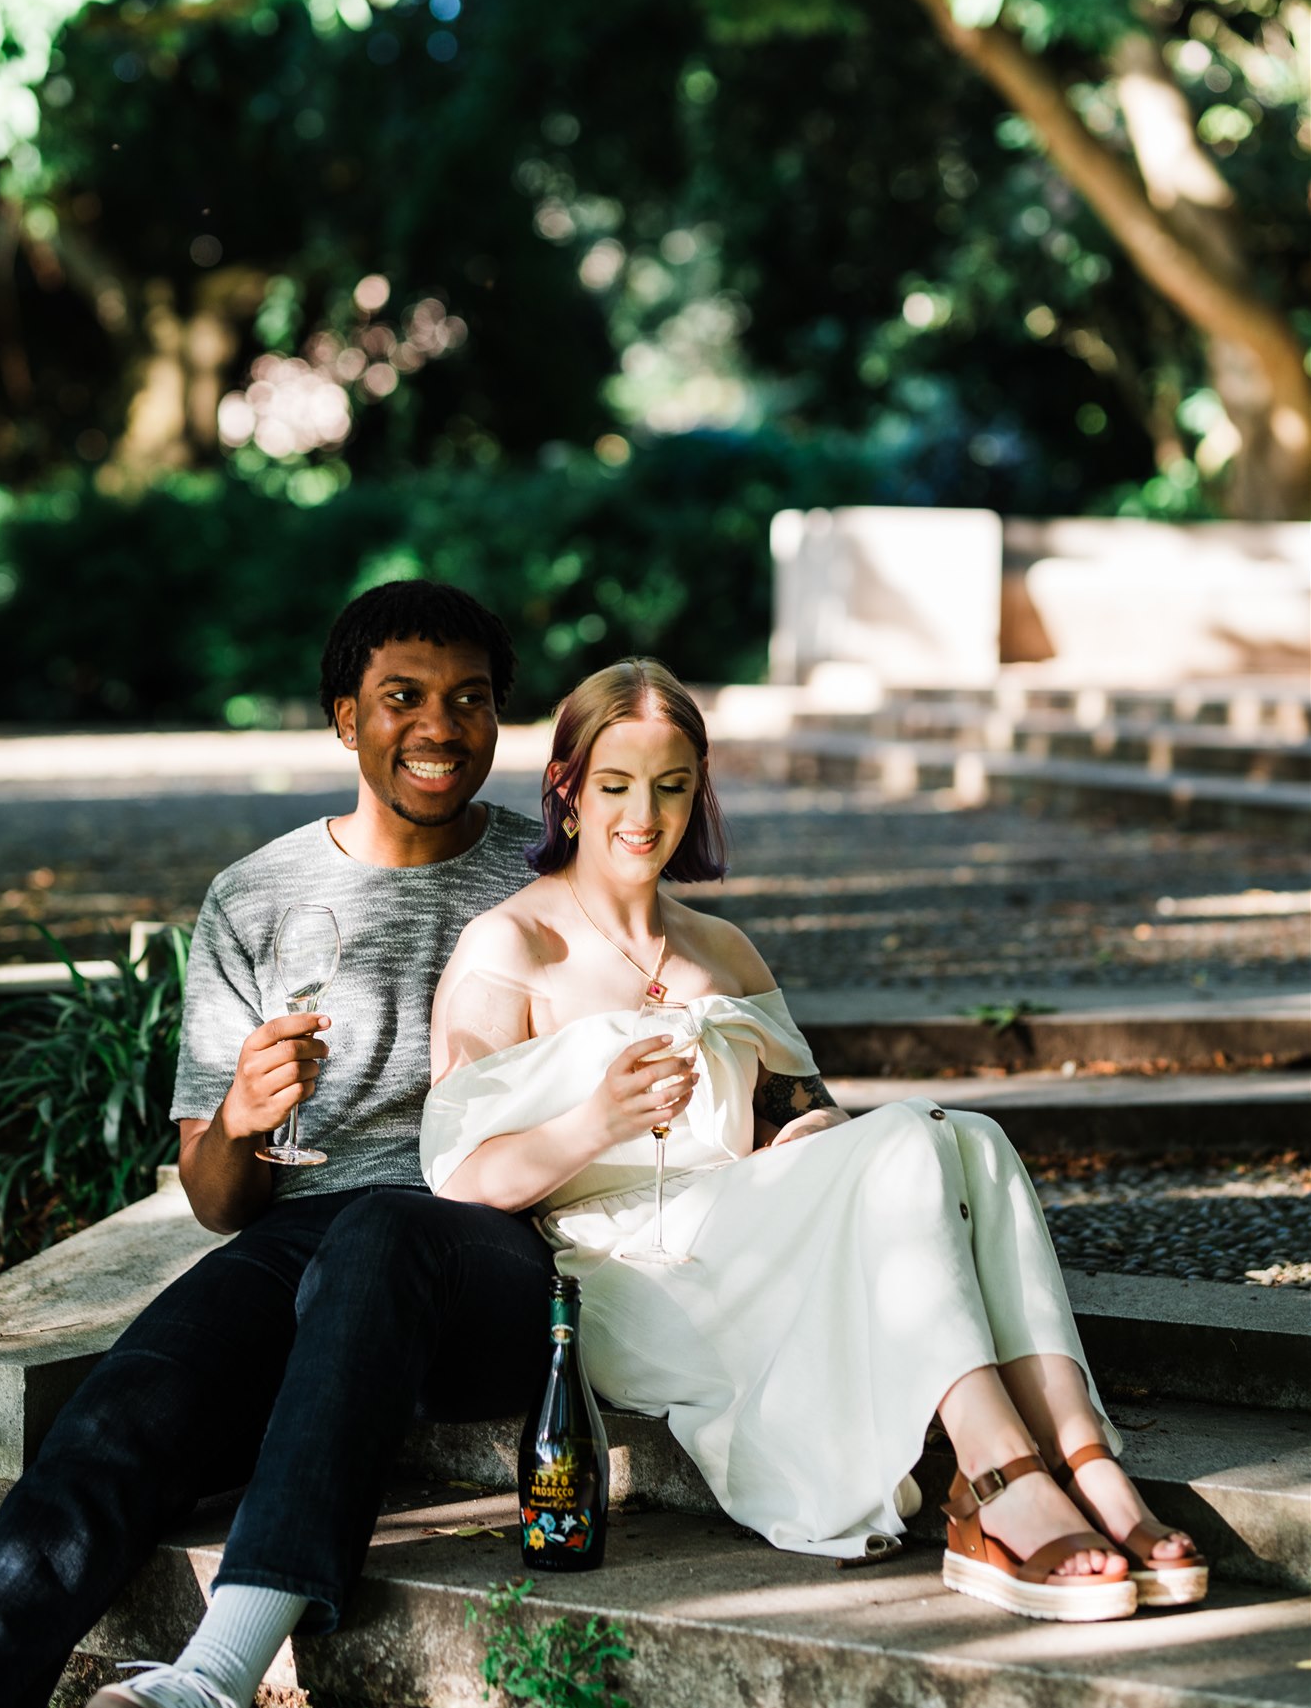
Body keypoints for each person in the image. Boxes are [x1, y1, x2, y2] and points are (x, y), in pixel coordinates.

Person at [423, 657, 1208, 1623]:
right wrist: (597, 1119)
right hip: (624, 1268)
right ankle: (1000, 1481)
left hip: (748, 1221)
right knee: (916, 1142)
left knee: (968, 1137)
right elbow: (457, 1182)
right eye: (617, 785)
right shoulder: (511, 947)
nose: (645, 815)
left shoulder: (721, 950)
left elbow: (807, 1115)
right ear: (567, 791)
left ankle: (1082, 1459)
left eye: (672, 788)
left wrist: (812, 1141)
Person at [0, 581, 552, 1708]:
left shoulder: (546, 876)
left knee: (382, 1230)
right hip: (301, 1235)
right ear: (344, 718)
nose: (440, 725)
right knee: (130, 1400)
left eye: (470, 699)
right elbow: (221, 1202)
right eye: (402, 697)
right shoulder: (257, 894)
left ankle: (215, 1676)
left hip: (491, 1241)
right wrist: (235, 1116)